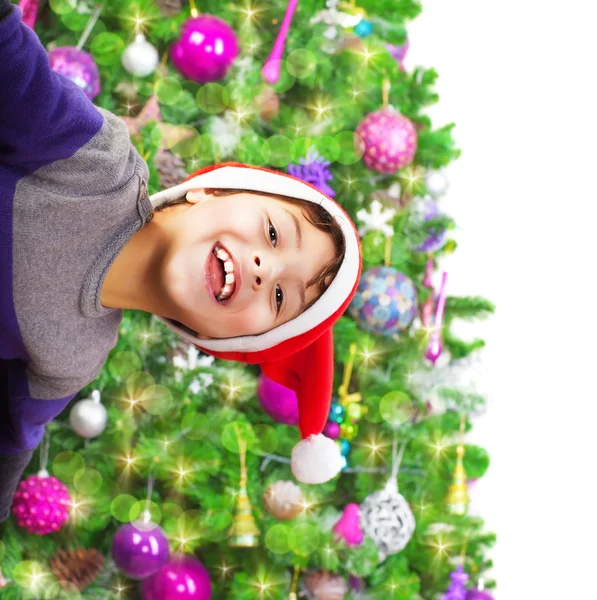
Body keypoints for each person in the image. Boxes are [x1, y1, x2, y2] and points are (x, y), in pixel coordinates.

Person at [0, 0, 362, 525]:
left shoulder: (75, 358)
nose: (264, 268)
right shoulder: (95, 166)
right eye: (274, 232)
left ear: (224, 339)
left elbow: (7, 448)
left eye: (281, 298)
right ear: (210, 192)